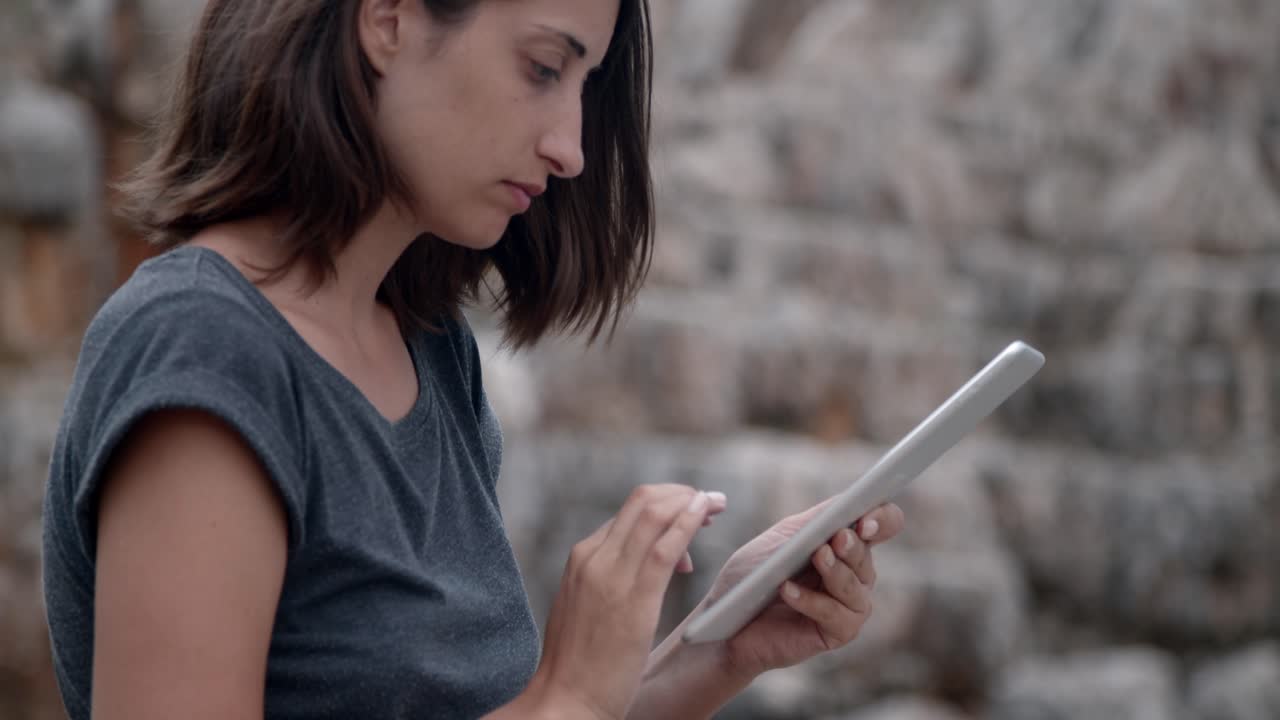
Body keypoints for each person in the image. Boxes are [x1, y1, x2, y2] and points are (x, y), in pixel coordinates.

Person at [40, 0, 906, 718]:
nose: (570, 146)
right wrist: (560, 693)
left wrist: (715, 648)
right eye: (542, 68)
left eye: (586, 85)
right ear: (387, 18)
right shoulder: (205, 346)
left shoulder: (430, 354)